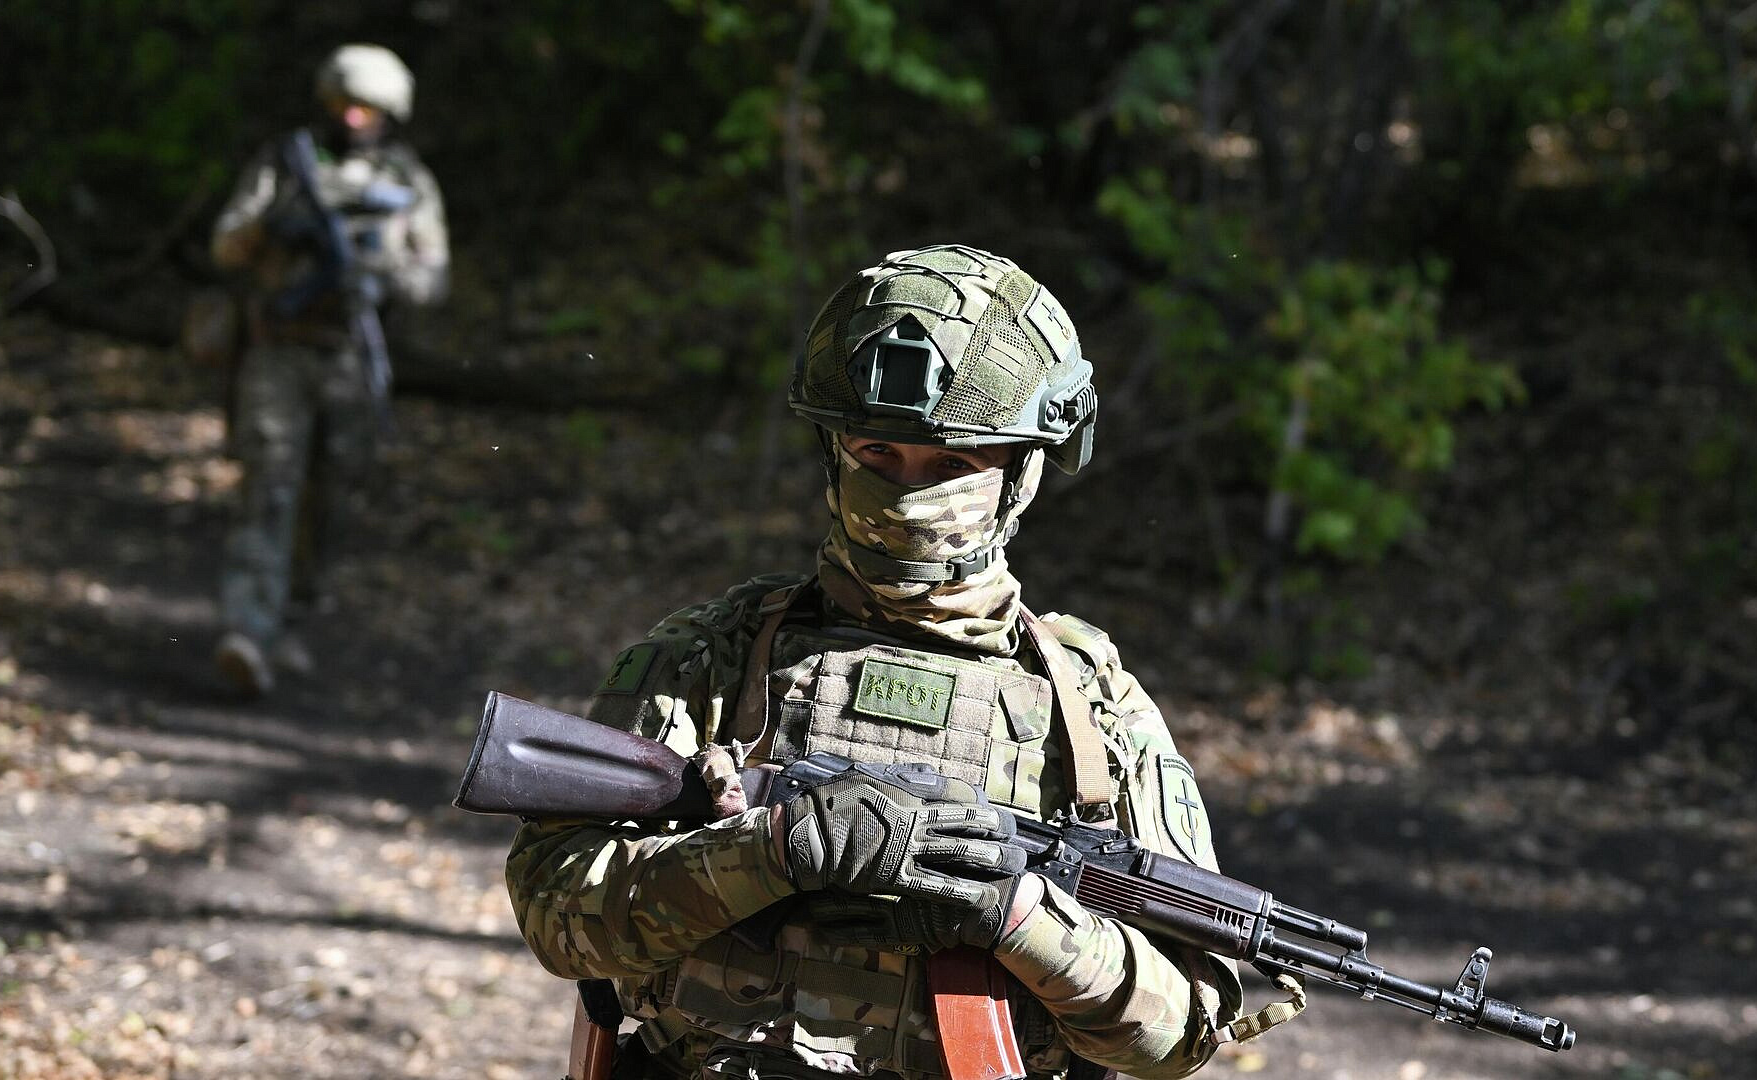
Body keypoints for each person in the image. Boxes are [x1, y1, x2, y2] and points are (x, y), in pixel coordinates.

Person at [506, 245, 1244, 1079]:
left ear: (1022, 473)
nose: (906, 493)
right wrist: (771, 853)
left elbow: (1178, 1034)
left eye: (954, 466)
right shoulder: (713, 655)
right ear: (834, 452)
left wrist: (1015, 916)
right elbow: (553, 909)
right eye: (877, 455)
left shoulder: (1090, 711)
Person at [207, 43, 448, 696]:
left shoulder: (407, 181)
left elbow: (434, 279)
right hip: (278, 350)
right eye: (344, 103)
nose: (353, 117)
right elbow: (226, 243)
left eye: (367, 107)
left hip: (350, 356)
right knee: (270, 484)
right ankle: (247, 630)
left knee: (332, 499)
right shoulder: (286, 164)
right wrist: (274, 231)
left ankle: (290, 621)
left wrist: (381, 268)